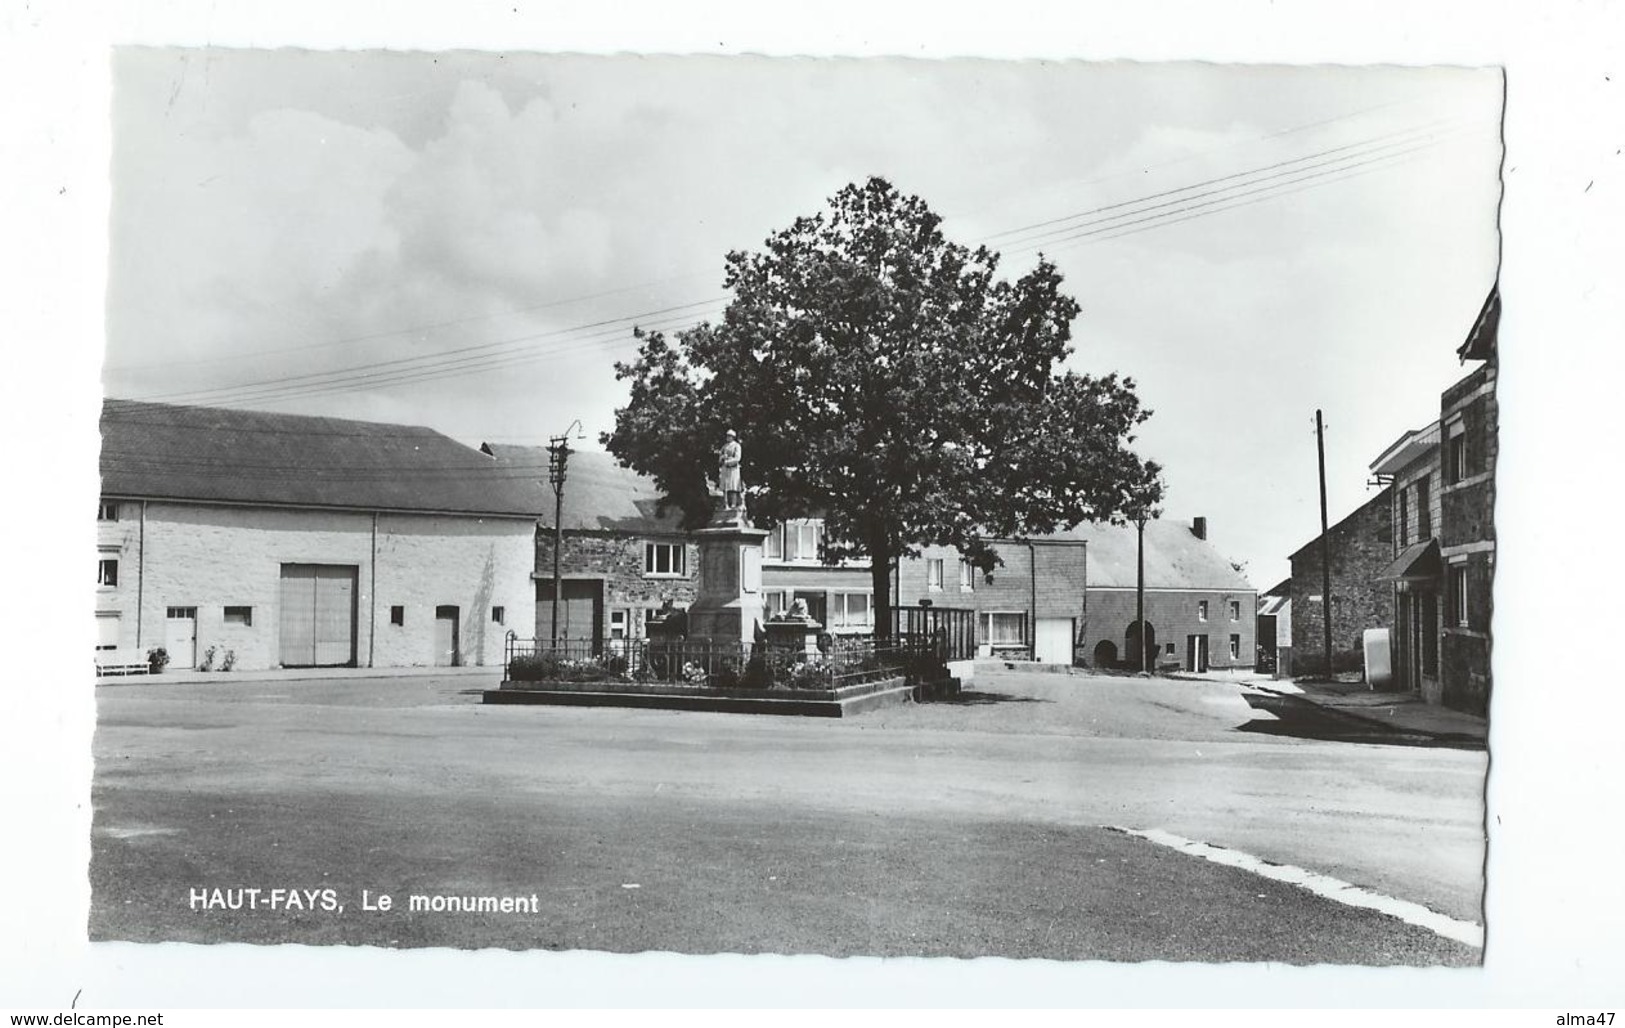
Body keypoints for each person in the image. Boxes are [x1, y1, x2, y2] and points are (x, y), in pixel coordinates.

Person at [719, 429, 743, 509]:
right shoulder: (724, 446)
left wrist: (728, 461)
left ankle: (733, 503)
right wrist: (722, 458)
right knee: (725, 487)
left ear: (733, 437)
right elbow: (720, 457)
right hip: (725, 469)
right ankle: (725, 504)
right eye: (727, 436)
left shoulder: (736, 446)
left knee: (733, 486)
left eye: (729, 436)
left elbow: (737, 458)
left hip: (733, 469)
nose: (728, 437)